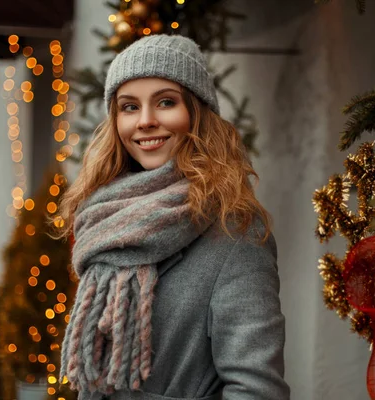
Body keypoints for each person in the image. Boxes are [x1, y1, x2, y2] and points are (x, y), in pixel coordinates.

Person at [57, 34, 290, 400]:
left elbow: (257, 389)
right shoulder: (103, 217)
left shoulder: (235, 232)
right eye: (129, 107)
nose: (146, 121)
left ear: (196, 114)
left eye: (166, 102)